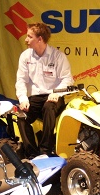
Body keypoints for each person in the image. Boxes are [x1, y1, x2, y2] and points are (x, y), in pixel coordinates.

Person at [15, 22, 73, 157]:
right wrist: (23, 99)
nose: (26, 40)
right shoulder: (25, 56)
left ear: (40, 39)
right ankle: (32, 154)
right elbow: (21, 80)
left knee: (48, 107)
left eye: (30, 37)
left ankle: (46, 150)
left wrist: (56, 93)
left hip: (54, 96)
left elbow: (67, 79)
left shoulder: (58, 56)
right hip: (35, 98)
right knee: (21, 115)